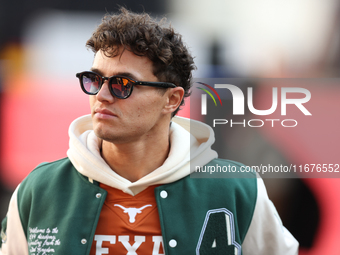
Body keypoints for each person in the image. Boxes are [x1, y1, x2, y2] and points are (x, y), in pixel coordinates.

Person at [0, 8, 298, 255]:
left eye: (123, 84)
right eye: (95, 79)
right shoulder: (38, 190)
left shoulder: (237, 190)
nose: (102, 95)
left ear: (171, 99)